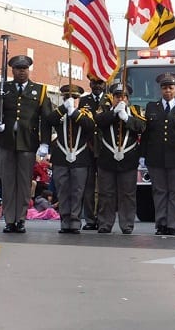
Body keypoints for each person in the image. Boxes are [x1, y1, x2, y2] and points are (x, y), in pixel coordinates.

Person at [0, 54, 52, 234]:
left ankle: (21, 219)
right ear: (12, 70)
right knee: (8, 182)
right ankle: (9, 220)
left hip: (28, 142)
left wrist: (45, 143)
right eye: (18, 69)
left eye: (24, 69)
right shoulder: (3, 89)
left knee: (24, 184)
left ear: (28, 70)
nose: (21, 72)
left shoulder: (39, 91)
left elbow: (45, 120)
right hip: (6, 141)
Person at [140, 72, 175, 236]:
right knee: (159, 191)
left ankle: (172, 225)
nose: (167, 91)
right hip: (156, 157)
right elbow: (146, 134)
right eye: (164, 88)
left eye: (171, 88)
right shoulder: (152, 107)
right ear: (160, 90)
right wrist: (142, 155)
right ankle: (161, 223)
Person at [94, 82, 146, 234]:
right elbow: (98, 122)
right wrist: (114, 113)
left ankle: (127, 225)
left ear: (128, 99)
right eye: (117, 96)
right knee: (106, 194)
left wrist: (126, 118)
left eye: (123, 96)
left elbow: (142, 126)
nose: (120, 99)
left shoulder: (135, 110)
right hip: (107, 159)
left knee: (127, 194)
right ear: (112, 98)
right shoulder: (104, 110)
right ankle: (104, 223)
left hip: (128, 159)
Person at [46, 84, 94, 234]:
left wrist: (74, 113)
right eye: (67, 97)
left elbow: (90, 126)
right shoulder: (59, 113)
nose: (70, 100)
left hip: (80, 158)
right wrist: (63, 109)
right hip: (61, 157)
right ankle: (64, 221)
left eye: (74, 98)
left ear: (79, 99)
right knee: (63, 190)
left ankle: (75, 221)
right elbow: (49, 120)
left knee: (77, 191)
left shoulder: (85, 113)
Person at [78, 73, 106, 230]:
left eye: (100, 82)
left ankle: (102, 219)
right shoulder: (84, 100)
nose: (97, 86)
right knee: (88, 187)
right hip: (88, 148)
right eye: (94, 83)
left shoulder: (109, 100)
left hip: (105, 148)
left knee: (103, 186)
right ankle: (89, 219)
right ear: (90, 84)